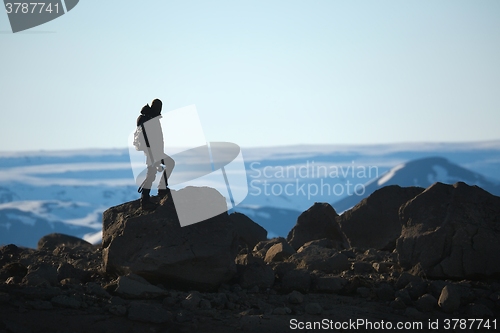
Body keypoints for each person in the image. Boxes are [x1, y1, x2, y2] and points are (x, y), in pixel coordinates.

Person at [136, 98, 175, 210]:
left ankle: (159, 189)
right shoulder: (149, 119)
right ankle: (145, 200)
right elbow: (150, 139)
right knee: (152, 172)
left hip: (154, 151)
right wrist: (154, 156)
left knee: (156, 170)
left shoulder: (148, 117)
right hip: (151, 152)